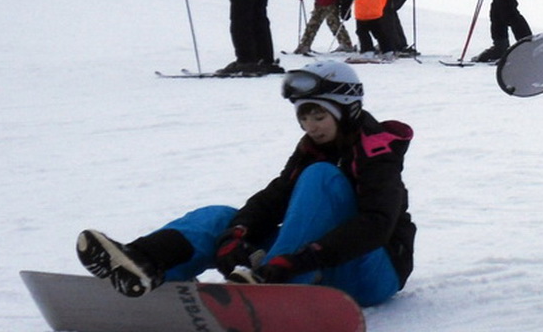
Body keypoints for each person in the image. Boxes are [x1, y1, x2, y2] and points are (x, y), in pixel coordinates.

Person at [74, 60, 415, 308]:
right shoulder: (312, 149)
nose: (310, 126)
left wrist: (292, 262)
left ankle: (271, 284)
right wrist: (236, 234)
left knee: (320, 177)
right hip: (313, 266)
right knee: (221, 217)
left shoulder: (377, 151)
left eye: (319, 116)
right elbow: (274, 198)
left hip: (373, 271)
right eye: (303, 117)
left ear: (347, 110)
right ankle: (146, 264)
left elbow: (376, 225)